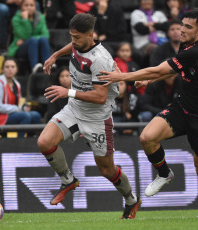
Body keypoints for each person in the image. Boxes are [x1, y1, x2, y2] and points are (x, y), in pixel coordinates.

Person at [98, 8, 198, 218]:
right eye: (182, 24)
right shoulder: (187, 44)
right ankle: (165, 173)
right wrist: (149, 80)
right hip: (183, 107)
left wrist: (122, 77)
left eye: (188, 27)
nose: (182, 30)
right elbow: (174, 70)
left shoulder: (197, 50)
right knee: (147, 137)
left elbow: (159, 69)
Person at [38, 13, 141, 219]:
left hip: (97, 119)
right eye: (71, 36)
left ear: (90, 35)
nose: (73, 41)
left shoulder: (100, 59)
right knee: (44, 142)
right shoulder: (79, 43)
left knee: (107, 170)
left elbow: (100, 97)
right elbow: (73, 47)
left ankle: (131, 200)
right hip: (75, 109)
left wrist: (67, 91)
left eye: (77, 37)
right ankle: (68, 180)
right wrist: (55, 55)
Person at [0, 58, 41, 138]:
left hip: (7, 115)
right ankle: (20, 144)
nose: (10, 69)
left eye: (13, 67)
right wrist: (18, 109)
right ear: (2, 69)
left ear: (17, 69)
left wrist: (23, 108)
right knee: (25, 116)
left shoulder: (17, 84)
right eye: (7, 67)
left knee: (36, 115)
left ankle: (29, 142)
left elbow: (16, 106)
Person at [7, 0, 50, 73]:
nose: (29, 7)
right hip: (20, 48)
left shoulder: (40, 17)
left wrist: (36, 39)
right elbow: (25, 35)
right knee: (33, 40)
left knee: (43, 39)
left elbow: (46, 35)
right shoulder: (16, 19)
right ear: (21, 7)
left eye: (31, 5)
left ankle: (48, 65)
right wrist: (25, 20)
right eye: (26, 5)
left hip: (35, 45)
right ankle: (34, 67)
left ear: (35, 7)